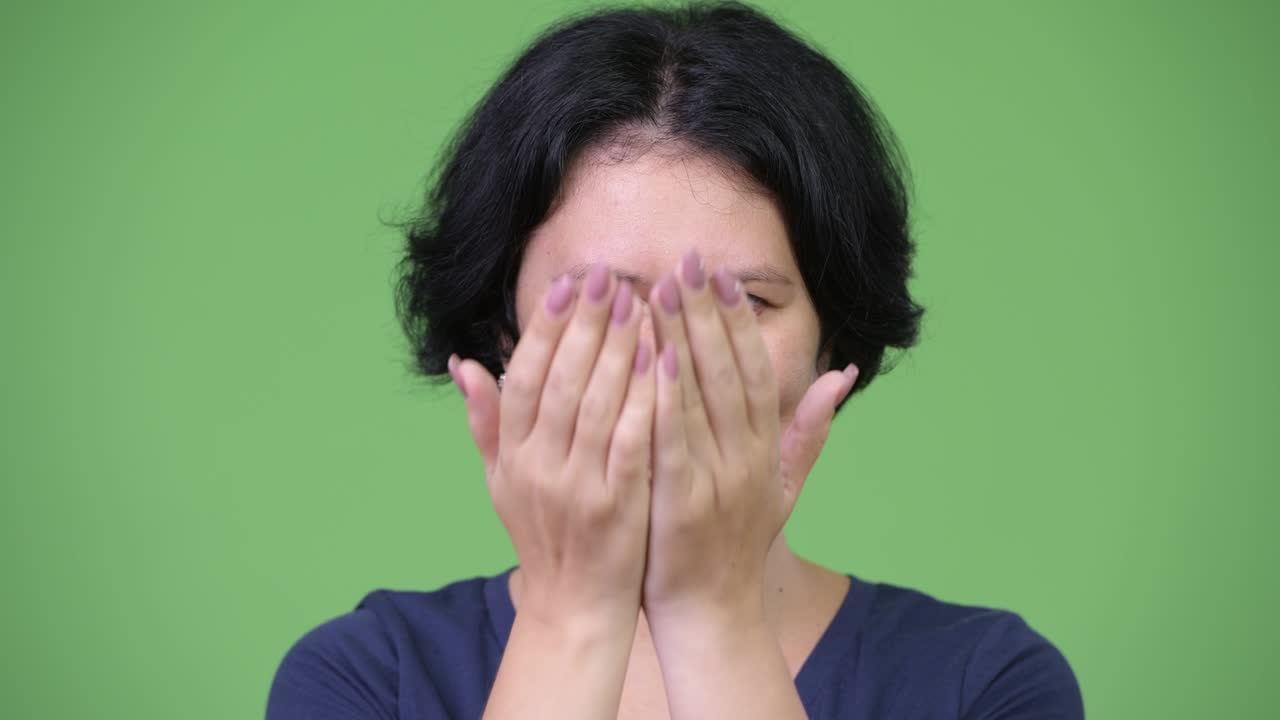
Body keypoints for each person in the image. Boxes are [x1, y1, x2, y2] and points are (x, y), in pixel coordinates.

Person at [266, 2, 1083, 718]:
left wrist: (711, 616)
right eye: (600, 305)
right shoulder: (364, 679)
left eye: (742, 307)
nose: (674, 366)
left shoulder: (987, 685)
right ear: (504, 331)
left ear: (830, 342)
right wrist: (573, 611)